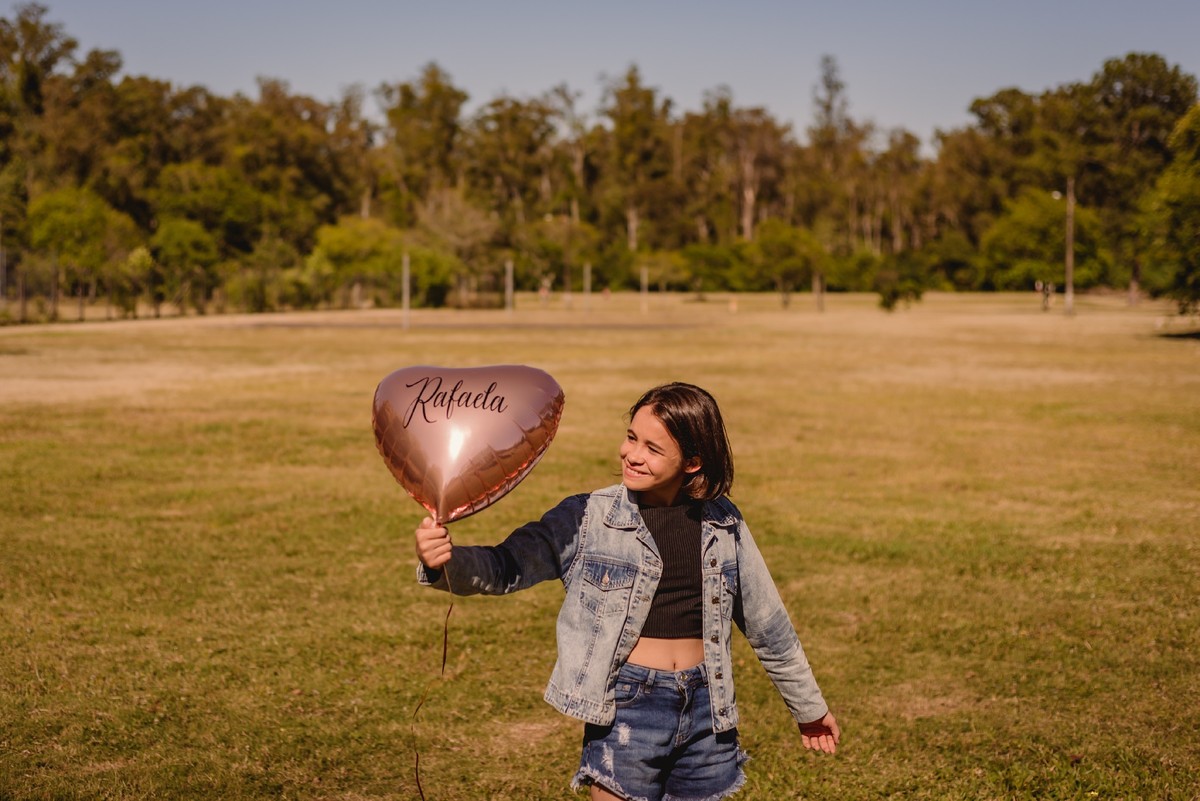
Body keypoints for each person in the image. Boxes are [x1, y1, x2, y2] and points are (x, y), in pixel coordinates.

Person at [414, 382, 839, 801]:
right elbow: (506, 567)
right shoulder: (586, 517)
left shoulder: (724, 523)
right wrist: (446, 562)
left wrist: (809, 708)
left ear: (692, 462)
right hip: (628, 707)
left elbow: (770, 628)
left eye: (653, 449)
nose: (632, 454)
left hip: (708, 708)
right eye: (631, 437)